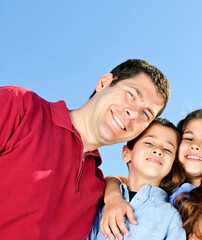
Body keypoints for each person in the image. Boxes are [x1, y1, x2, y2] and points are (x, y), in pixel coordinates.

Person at [0, 59, 170, 240]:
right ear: (104, 83)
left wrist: (112, 194)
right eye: (131, 95)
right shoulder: (20, 106)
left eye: (146, 114)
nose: (134, 113)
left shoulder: (97, 190)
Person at [101, 109, 202, 240]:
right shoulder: (169, 187)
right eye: (189, 138)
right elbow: (116, 179)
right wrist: (113, 198)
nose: (195, 145)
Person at [88, 118, 186, 240]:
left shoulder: (170, 216)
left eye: (167, 149)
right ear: (126, 154)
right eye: (149, 143)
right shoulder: (102, 202)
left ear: (172, 164)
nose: (158, 151)